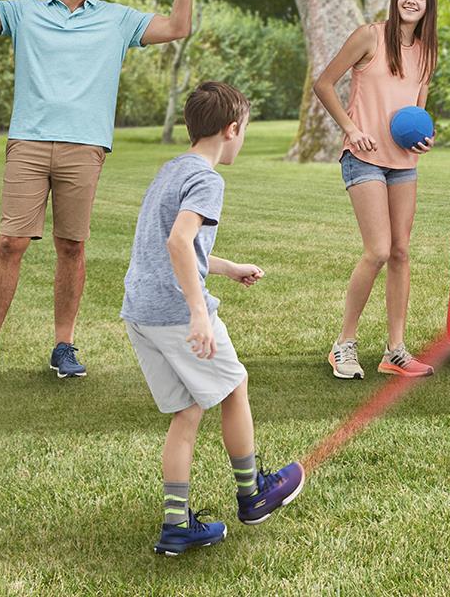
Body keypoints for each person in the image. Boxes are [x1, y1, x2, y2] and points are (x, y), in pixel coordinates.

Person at [0, 0, 195, 384]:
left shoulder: (118, 20)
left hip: (85, 146)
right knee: (10, 243)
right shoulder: (24, 13)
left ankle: (63, 345)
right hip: (28, 139)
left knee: (72, 246)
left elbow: (179, 27)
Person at [121, 81, 304, 556]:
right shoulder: (207, 178)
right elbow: (179, 243)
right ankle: (253, 495)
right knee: (234, 386)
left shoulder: (171, 170)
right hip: (177, 313)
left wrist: (226, 267)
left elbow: (176, 246)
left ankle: (176, 525)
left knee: (188, 411)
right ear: (232, 129)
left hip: (141, 311)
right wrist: (199, 313)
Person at [313, 0, 438, 380]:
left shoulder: (427, 52)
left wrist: (425, 138)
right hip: (363, 157)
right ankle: (343, 345)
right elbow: (324, 83)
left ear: (428, 4)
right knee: (379, 250)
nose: (411, 0)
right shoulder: (369, 36)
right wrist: (351, 128)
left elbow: (417, 113)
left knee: (401, 251)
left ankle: (395, 352)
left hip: (403, 162)